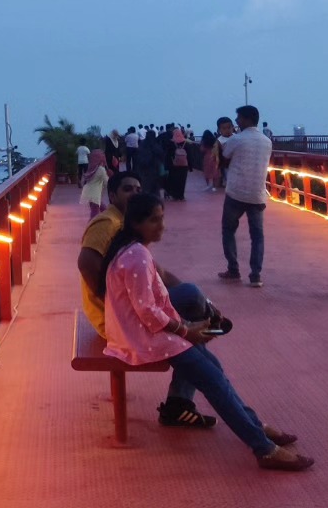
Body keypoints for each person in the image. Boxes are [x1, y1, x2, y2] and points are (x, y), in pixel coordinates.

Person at [100, 193, 313, 470]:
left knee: (214, 368)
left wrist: (189, 325)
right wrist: (185, 331)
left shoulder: (133, 249)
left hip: (144, 331)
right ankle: (263, 448)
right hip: (142, 338)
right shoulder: (137, 256)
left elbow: (156, 301)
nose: (161, 226)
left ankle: (255, 425)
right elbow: (147, 311)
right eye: (154, 220)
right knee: (212, 379)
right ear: (137, 223)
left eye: (162, 219)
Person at [77, 171, 229, 428]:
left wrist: (209, 303)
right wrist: (112, 305)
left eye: (138, 188)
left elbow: (162, 274)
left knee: (192, 296)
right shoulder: (107, 224)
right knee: (191, 308)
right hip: (117, 318)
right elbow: (86, 263)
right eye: (127, 189)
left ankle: (204, 332)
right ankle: (180, 399)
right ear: (112, 195)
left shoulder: (129, 230)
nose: (135, 193)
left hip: (133, 310)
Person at [217, 105, 272, 287]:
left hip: (236, 192)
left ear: (247, 119)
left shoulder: (237, 139)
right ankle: (256, 275)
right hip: (257, 194)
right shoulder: (266, 141)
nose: (236, 122)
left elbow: (225, 155)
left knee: (228, 230)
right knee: (257, 235)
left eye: (239, 118)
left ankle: (233, 269)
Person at [79, 151, 109, 219]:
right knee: (94, 213)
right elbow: (106, 182)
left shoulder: (91, 168)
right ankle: (91, 226)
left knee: (102, 208)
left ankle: (109, 218)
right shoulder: (101, 169)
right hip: (95, 193)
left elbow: (84, 180)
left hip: (88, 191)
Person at [167, 128, 190, 201]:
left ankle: (175, 195)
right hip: (184, 165)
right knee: (182, 180)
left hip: (174, 164)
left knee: (175, 180)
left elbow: (168, 154)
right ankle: (181, 195)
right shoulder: (185, 142)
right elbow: (189, 154)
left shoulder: (171, 142)